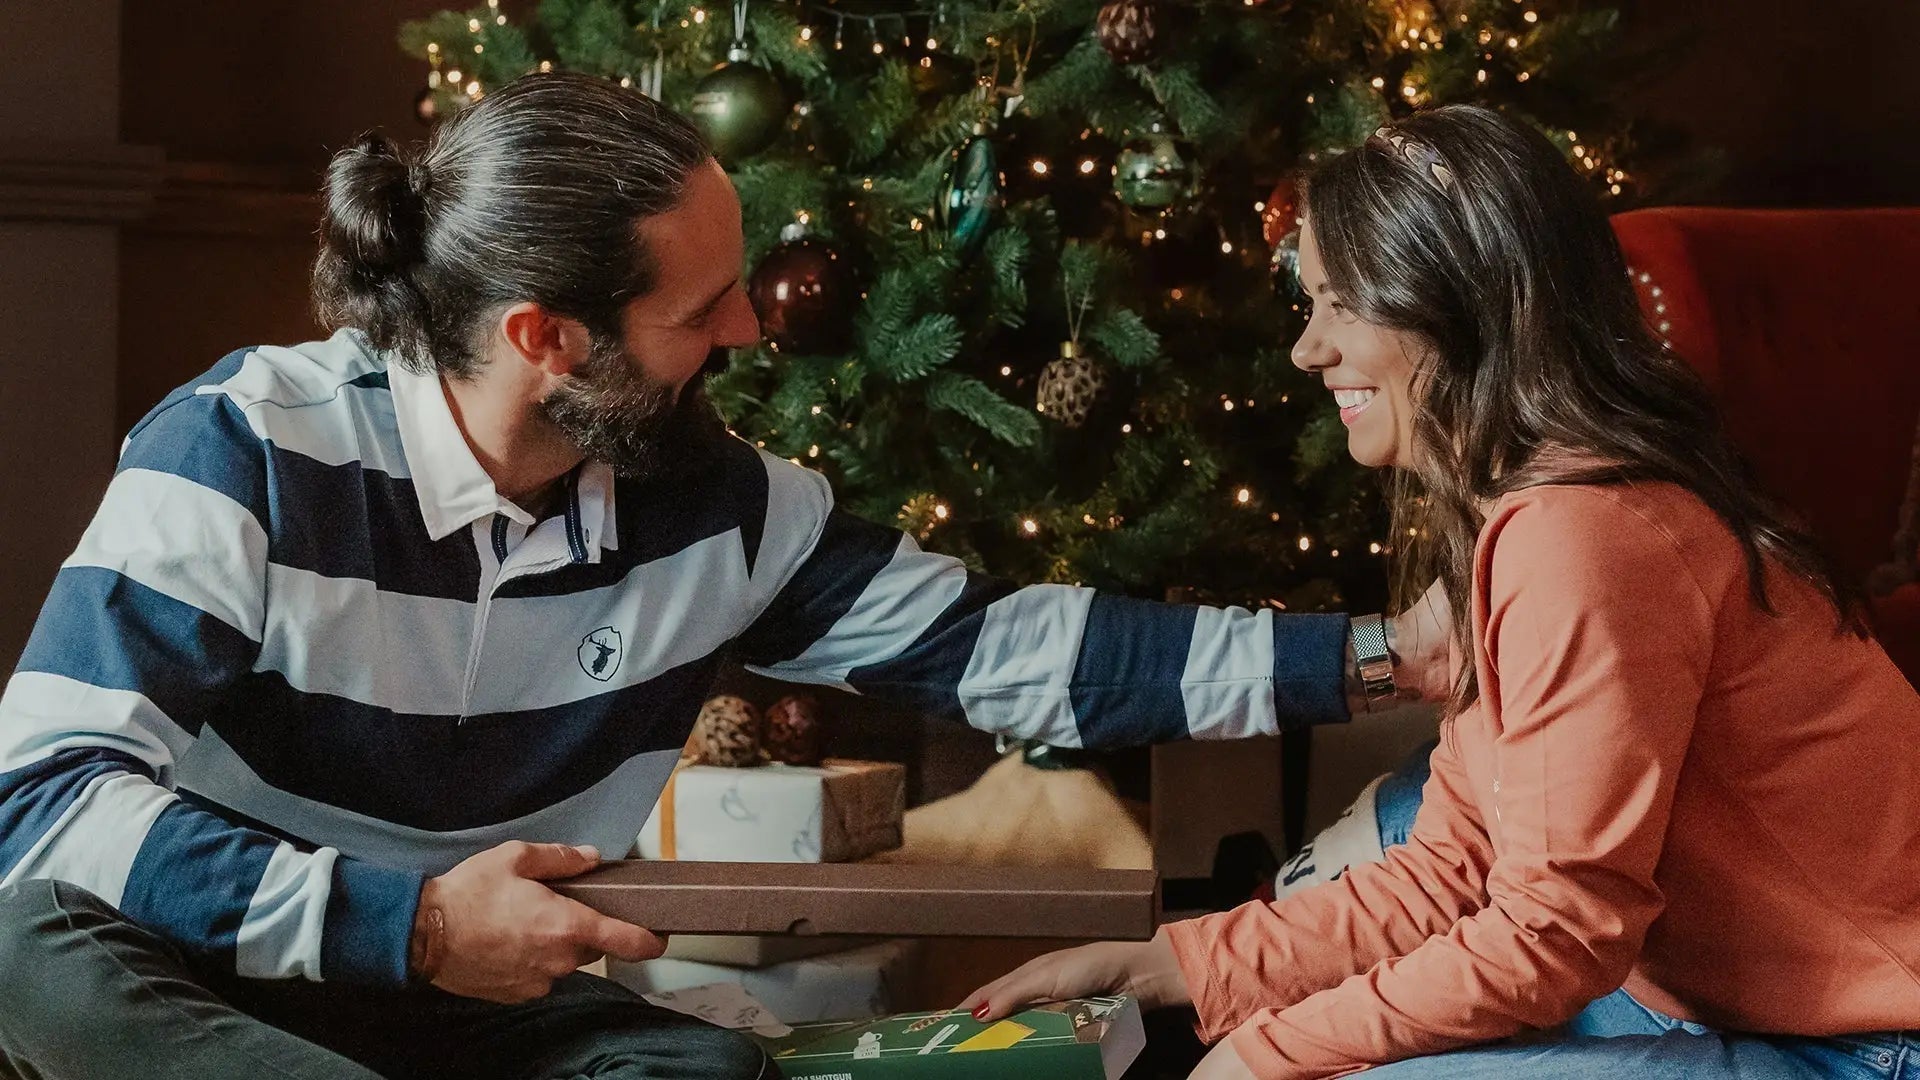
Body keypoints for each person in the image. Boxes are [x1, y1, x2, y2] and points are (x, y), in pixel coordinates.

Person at [0, 73, 1449, 1080]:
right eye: (703, 309)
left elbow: (1024, 652)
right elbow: (41, 795)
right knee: (24, 948)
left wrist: (1387, 655)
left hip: (473, 1018)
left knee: (691, 1066)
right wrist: (416, 923)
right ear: (545, 340)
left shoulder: (720, 509)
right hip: (221, 993)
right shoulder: (246, 446)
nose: (755, 327)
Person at [962, 104, 1920, 1080]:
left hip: (1869, 1050)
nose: (1308, 349)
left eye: (1343, 303)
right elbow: (1453, 865)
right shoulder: (1531, 513)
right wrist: (1171, 963)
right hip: (1703, 1005)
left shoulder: (1582, 534)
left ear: (1459, 309)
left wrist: (1262, 1057)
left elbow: (1556, 935)